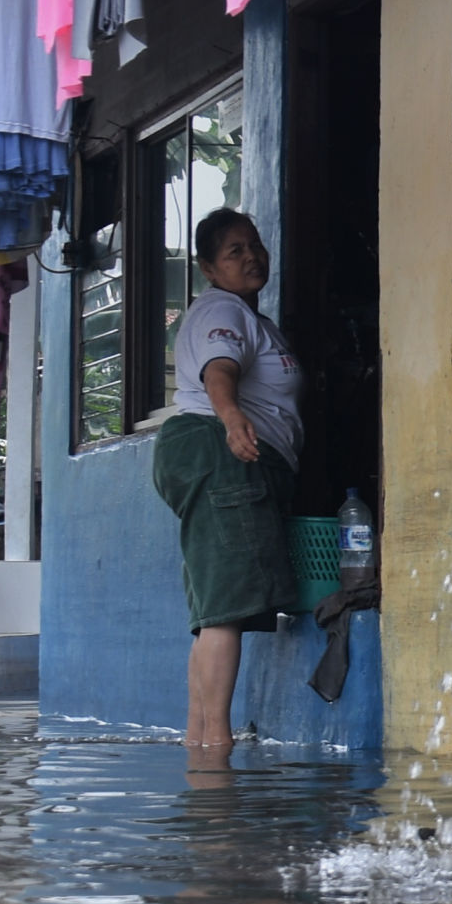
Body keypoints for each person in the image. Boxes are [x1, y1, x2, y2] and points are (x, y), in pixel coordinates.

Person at [151, 207, 303, 749]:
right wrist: (234, 419)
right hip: (221, 453)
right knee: (226, 611)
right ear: (209, 270)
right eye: (233, 252)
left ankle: (201, 742)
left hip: (213, 453)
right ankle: (216, 748)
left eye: (255, 245)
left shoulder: (250, 317)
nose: (251, 256)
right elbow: (220, 370)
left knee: (217, 607)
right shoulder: (222, 308)